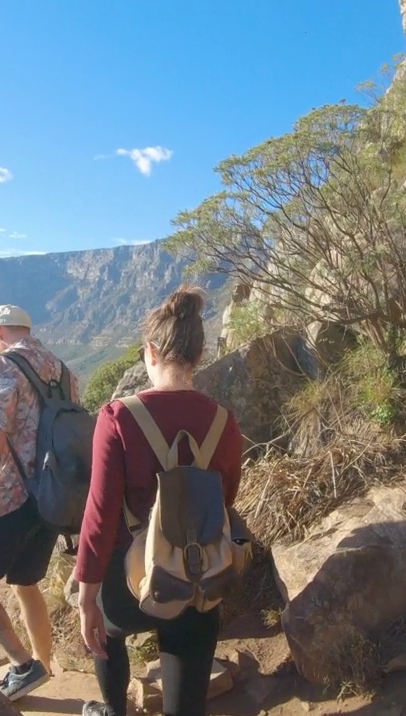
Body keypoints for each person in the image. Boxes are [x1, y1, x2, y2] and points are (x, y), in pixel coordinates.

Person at [74, 286, 243, 716]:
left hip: (132, 589)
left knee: (107, 636)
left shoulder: (117, 417)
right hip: (198, 579)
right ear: (199, 356)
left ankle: (113, 710)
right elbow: (226, 499)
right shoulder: (224, 422)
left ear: (151, 351)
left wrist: (85, 597)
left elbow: (99, 515)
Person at [0, 303, 81, 702]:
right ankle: (45, 664)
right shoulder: (63, 370)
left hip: (14, 497)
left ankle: (24, 666)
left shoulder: (4, 365)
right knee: (25, 581)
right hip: (53, 496)